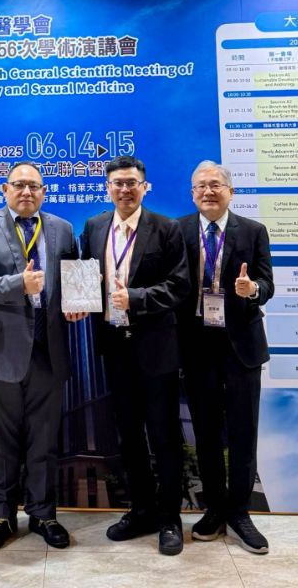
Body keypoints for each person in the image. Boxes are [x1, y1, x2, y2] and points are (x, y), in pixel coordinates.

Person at [0, 162, 86, 551]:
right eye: (19, 185)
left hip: (49, 350)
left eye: (34, 186)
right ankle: (2, 516)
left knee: (44, 440)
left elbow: (73, 278)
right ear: (5, 189)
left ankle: (43, 514)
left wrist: (77, 305)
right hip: (0, 352)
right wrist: (20, 283)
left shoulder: (62, 229)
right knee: (2, 441)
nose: (27, 192)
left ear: (44, 191)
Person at [80, 156, 190, 556]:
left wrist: (137, 298)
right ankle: (142, 509)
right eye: (117, 183)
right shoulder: (94, 227)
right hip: (114, 346)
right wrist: (80, 303)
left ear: (144, 186)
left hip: (156, 348)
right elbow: (87, 277)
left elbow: (179, 285)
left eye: (131, 183)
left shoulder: (166, 228)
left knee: (164, 435)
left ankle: (170, 517)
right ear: (107, 188)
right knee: (127, 435)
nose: (124, 189)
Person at [177, 160, 274, 554]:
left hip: (241, 347)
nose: (208, 191)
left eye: (215, 184)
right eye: (200, 186)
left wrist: (252, 289)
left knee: (243, 433)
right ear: (192, 194)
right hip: (197, 346)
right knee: (205, 433)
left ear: (230, 192)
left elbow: (267, 283)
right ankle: (214, 508)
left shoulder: (252, 231)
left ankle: (240, 513)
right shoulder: (178, 231)